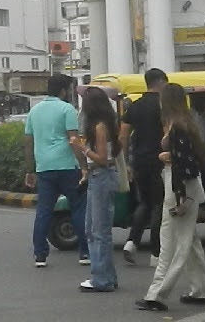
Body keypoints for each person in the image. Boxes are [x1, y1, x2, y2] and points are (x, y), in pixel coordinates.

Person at [135, 83, 205, 312]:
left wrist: (181, 198)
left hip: (179, 187)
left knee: (171, 243)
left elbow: (183, 165)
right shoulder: (184, 124)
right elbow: (193, 162)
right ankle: (201, 289)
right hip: (185, 186)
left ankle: (157, 294)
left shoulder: (177, 127)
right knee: (189, 242)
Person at [24, 74, 89, 268]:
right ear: (63, 90)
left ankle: (40, 255)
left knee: (44, 210)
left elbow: (28, 143)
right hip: (68, 166)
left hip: (44, 168)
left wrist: (30, 169)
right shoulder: (66, 109)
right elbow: (74, 140)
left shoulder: (34, 111)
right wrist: (84, 166)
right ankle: (85, 252)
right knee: (78, 208)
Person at [71, 88, 120, 293]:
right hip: (98, 175)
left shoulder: (99, 127)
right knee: (93, 229)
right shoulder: (105, 124)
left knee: (98, 231)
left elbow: (101, 157)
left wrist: (83, 148)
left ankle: (101, 279)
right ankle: (106, 276)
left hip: (101, 175)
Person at [120, 68, 168, 267]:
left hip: (139, 161)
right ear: (161, 82)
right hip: (159, 160)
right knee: (159, 205)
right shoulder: (163, 105)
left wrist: (126, 163)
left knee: (145, 202)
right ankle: (156, 254)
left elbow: (123, 135)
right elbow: (168, 133)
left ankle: (132, 242)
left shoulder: (135, 106)